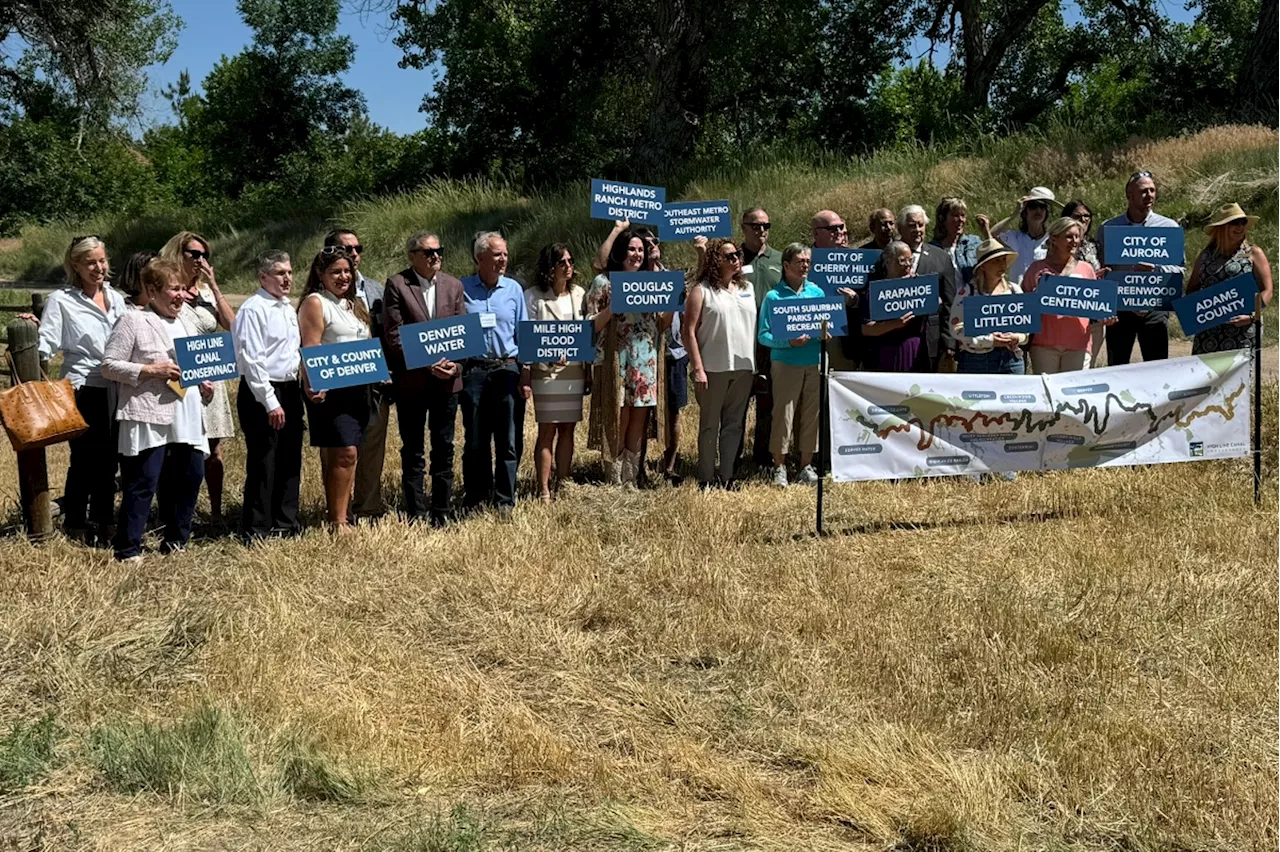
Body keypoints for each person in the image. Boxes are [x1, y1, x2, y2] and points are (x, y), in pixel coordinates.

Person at [100, 259, 213, 562]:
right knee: (143, 482)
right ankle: (128, 548)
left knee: (191, 475)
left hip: (187, 411)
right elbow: (109, 366)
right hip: (148, 413)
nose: (180, 296)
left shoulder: (188, 322)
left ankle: (176, 541)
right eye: (173, 290)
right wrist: (149, 370)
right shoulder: (133, 321)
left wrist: (204, 382)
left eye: (182, 290)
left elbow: (196, 364)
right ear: (152, 290)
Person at [37, 235, 127, 544]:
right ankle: (76, 520)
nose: (98, 267)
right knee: (85, 458)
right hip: (82, 387)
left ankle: (104, 519)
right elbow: (46, 343)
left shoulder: (117, 298)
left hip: (115, 386)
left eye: (102, 260)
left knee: (111, 458)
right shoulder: (61, 300)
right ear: (75, 265)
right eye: (90, 262)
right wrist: (29, 333)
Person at [383, 231, 465, 525]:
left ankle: (442, 511)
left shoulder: (454, 285)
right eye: (428, 252)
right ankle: (416, 511)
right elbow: (393, 335)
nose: (435, 256)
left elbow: (462, 334)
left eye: (438, 250)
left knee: (444, 447)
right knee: (413, 449)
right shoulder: (397, 284)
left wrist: (454, 365)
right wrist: (425, 362)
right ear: (412, 256)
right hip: (413, 383)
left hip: (446, 382)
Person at [298, 246, 373, 532]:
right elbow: (311, 347)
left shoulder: (353, 304)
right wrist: (312, 383)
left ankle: (341, 512)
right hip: (330, 392)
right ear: (320, 274)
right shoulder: (316, 303)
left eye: (347, 271)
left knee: (348, 453)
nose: (343, 277)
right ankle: (338, 522)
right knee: (346, 452)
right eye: (335, 272)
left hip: (359, 389)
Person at [162, 231, 236, 519]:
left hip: (211, 376)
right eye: (194, 254)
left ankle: (215, 512)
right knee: (180, 449)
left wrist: (215, 287)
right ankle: (177, 512)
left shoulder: (205, 294)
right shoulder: (168, 290)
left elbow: (233, 326)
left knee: (213, 450)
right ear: (178, 254)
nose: (200, 260)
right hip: (179, 376)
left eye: (205, 255)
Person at [585, 229, 667, 487]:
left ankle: (630, 478)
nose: (637, 255)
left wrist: (672, 302)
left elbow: (663, 322)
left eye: (641, 250)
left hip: (644, 361)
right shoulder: (603, 282)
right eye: (632, 249)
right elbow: (590, 325)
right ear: (621, 252)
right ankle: (614, 479)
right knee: (618, 418)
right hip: (615, 361)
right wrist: (612, 308)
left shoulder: (651, 282)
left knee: (638, 419)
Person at [232, 251, 304, 541]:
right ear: (263, 277)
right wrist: (270, 401)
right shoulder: (254, 309)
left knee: (290, 458)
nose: (286, 278)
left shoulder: (287, 307)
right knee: (264, 460)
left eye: (289, 272)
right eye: (279, 273)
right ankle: (257, 527)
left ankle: (285, 522)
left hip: (289, 388)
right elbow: (252, 360)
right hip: (262, 390)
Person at [461, 231, 530, 513]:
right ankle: (477, 497)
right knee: (476, 439)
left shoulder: (514, 289)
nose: (503, 259)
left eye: (505, 254)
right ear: (480, 258)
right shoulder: (461, 289)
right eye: (497, 254)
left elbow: (523, 333)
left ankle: (505, 500)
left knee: (509, 438)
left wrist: (525, 372)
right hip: (474, 371)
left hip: (507, 369)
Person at [325, 228, 390, 521]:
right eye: (346, 249)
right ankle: (339, 510)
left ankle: (369, 507)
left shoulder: (377, 289)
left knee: (372, 448)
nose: (353, 254)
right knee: (340, 450)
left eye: (357, 248)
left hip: (374, 384)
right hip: (337, 387)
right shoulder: (321, 296)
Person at [684, 238, 756, 489]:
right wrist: (698, 368)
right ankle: (706, 478)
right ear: (716, 260)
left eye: (737, 254)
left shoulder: (748, 289)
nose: (735, 258)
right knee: (709, 425)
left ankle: (727, 477)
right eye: (729, 256)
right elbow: (689, 332)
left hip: (744, 367)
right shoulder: (701, 290)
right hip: (712, 369)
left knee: (734, 425)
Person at [524, 243, 588, 502]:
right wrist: (546, 355)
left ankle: (564, 482)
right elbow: (527, 337)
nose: (568, 266)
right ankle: (544, 490)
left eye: (571, 261)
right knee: (547, 430)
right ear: (550, 267)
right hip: (546, 375)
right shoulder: (532, 297)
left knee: (568, 429)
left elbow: (586, 333)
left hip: (573, 373)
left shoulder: (580, 295)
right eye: (562, 262)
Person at [1098, 171, 1183, 365]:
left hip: (1155, 307)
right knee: (1117, 368)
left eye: (1153, 190)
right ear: (1130, 195)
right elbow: (1102, 270)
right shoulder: (1109, 228)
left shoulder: (1169, 227)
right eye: (1144, 191)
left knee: (1156, 367)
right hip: (1120, 310)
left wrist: (1157, 269)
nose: (1150, 195)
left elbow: (1180, 270)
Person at [757, 244, 823, 487]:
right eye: (800, 261)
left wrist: (825, 332)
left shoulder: (817, 293)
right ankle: (779, 467)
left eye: (807, 261)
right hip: (785, 363)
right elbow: (763, 335)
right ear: (786, 266)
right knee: (783, 415)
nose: (805, 265)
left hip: (813, 362)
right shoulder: (773, 297)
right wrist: (788, 343)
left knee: (811, 415)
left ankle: (805, 466)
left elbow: (828, 325)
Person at [875, 204, 958, 372]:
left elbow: (950, 302)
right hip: (892, 341)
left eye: (921, 225)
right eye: (912, 225)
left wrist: (949, 342)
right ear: (900, 228)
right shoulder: (885, 255)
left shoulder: (941, 257)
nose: (918, 229)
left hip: (930, 340)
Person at [1021, 217, 1107, 373]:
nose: (1074, 241)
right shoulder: (1036, 269)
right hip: (1044, 345)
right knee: (1047, 394)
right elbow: (1022, 310)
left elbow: (1096, 308)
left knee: (1074, 394)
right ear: (1054, 238)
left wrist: (1107, 316)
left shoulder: (1086, 269)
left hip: (1079, 344)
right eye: (1069, 236)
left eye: (1077, 237)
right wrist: (1035, 298)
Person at [1187, 203, 1273, 354]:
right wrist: (1200, 309)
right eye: (1234, 222)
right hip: (1208, 332)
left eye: (1243, 222)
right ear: (1222, 227)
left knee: (1240, 377)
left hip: (1242, 331)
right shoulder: (1206, 255)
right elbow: (1192, 289)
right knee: (1207, 376)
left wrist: (1252, 316)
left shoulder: (1253, 253)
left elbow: (1267, 290)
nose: (1240, 226)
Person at [741, 207, 784, 469]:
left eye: (766, 225)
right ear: (744, 227)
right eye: (756, 225)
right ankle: (732, 456)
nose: (762, 231)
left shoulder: (780, 258)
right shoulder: (734, 257)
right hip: (741, 340)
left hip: (771, 341)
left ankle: (763, 457)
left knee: (769, 401)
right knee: (738, 401)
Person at [950, 239, 1028, 374]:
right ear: (983, 266)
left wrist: (1017, 337)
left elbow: (1026, 326)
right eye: (996, 261)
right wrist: (989, 340)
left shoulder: (1014, 290)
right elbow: (956, 328)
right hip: (976, 361)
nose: (1002, 265)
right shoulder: (967, 293)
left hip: (1011, 360)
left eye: (1003, 260)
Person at [863, 240, 931, 372]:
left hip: (916, 351)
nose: (907, 265)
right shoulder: (875, 291)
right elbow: (866, 328)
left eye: (910, 260)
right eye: (902, 261)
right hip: (887, 354)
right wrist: (894, 324)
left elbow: (938, 303)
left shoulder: (919, 286)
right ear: (888, 262)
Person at [1062, 200, 1105, 365]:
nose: (1083, 219)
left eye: (1087, 216)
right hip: (1069, 317)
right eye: (1077, 216)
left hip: (1095, 317)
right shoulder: (1060, 245)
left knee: (1088, 365)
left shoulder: (1095, 246)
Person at [990, 186, 1058, 283]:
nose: (1038, 210)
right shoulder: (1015, 238)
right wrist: (1014, 214)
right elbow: (992, 234)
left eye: (1042, 207)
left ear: (1046, 212)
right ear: (1025, 211)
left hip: (1042, 294)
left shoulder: (1052, 239)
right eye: (1033, 206)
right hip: (1018, 295)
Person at [931, 197, 981, 291]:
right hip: (947, 303)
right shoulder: (932, 249)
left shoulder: (973, 243)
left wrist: (986, 231)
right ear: (942, 219)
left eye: (963, 215)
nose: (960, 220)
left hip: (971, 301)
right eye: (955, 215)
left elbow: (994, 260)